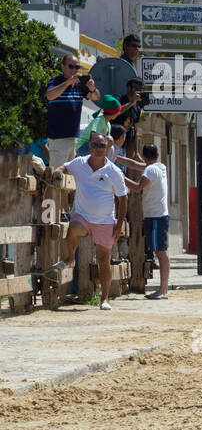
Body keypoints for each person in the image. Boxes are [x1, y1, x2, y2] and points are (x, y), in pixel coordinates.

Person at [47, 133, 127, 310]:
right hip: (83, 216)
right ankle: (69, 258)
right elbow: (64, 166)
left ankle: (104, 299)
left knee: (104, 259)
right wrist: (57, 172)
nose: (98, 148)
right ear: (90, 146)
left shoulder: (114, 171)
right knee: (73, 228)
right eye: (95, 145)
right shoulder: (80, 163)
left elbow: (123, 199)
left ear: (107, 147)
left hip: (105, 221)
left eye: (102, 145)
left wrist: (119, 224)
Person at [127, 143, 170, 299]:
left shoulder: (150, 170)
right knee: (160, 251)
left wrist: (119, 177)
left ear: (145, 157)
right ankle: (163, 289)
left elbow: (138, 188)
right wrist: (117, 160)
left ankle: (163, 290)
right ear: (157, 155)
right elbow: (134, 164)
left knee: (161, 252)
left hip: (156, 216)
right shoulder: (160, 167)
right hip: (158, 215)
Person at [45, 56, 96, 166]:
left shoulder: (80, 85)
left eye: (77, 67)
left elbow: (96, 97)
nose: (74, 70)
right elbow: (49, 95)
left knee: (69, 177)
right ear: (63, 67)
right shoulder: (56, 81)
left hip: (73, 137)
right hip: (58, 137)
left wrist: (93, 89)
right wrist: (68, 82)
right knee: (57, 177)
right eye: (71, 66)